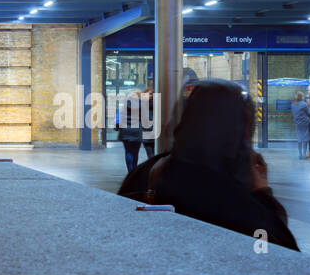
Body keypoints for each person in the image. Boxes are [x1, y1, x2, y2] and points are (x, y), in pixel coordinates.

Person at [118, 79, 298, 251]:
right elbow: (280, 253)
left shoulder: (147, 173)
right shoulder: (239, 202)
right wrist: (263, 193)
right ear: (239, 130)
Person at [290, 90, 310, 160]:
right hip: (304, 123)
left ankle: (300, 155)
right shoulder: (304, 104)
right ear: (302, 97)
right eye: (303, 96)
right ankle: (304, 155)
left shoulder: (293, 104)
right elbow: (309, 113)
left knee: (299, 138)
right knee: (305, 139)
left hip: (297, 123)